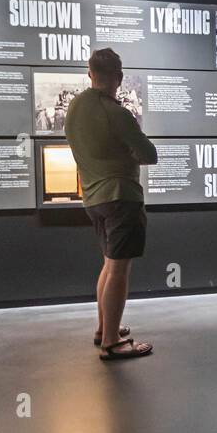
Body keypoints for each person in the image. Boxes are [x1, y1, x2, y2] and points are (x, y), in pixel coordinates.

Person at [65, 47, 156, 359]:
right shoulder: (116, 113)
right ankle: (112, 344)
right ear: (118, 77)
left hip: (93, 198)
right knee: (119, 269)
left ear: (90, 74)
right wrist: (127, 153)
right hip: (121, 197)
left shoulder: (76, 107)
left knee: (108, 264)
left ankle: (106, 328)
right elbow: (149, 154)